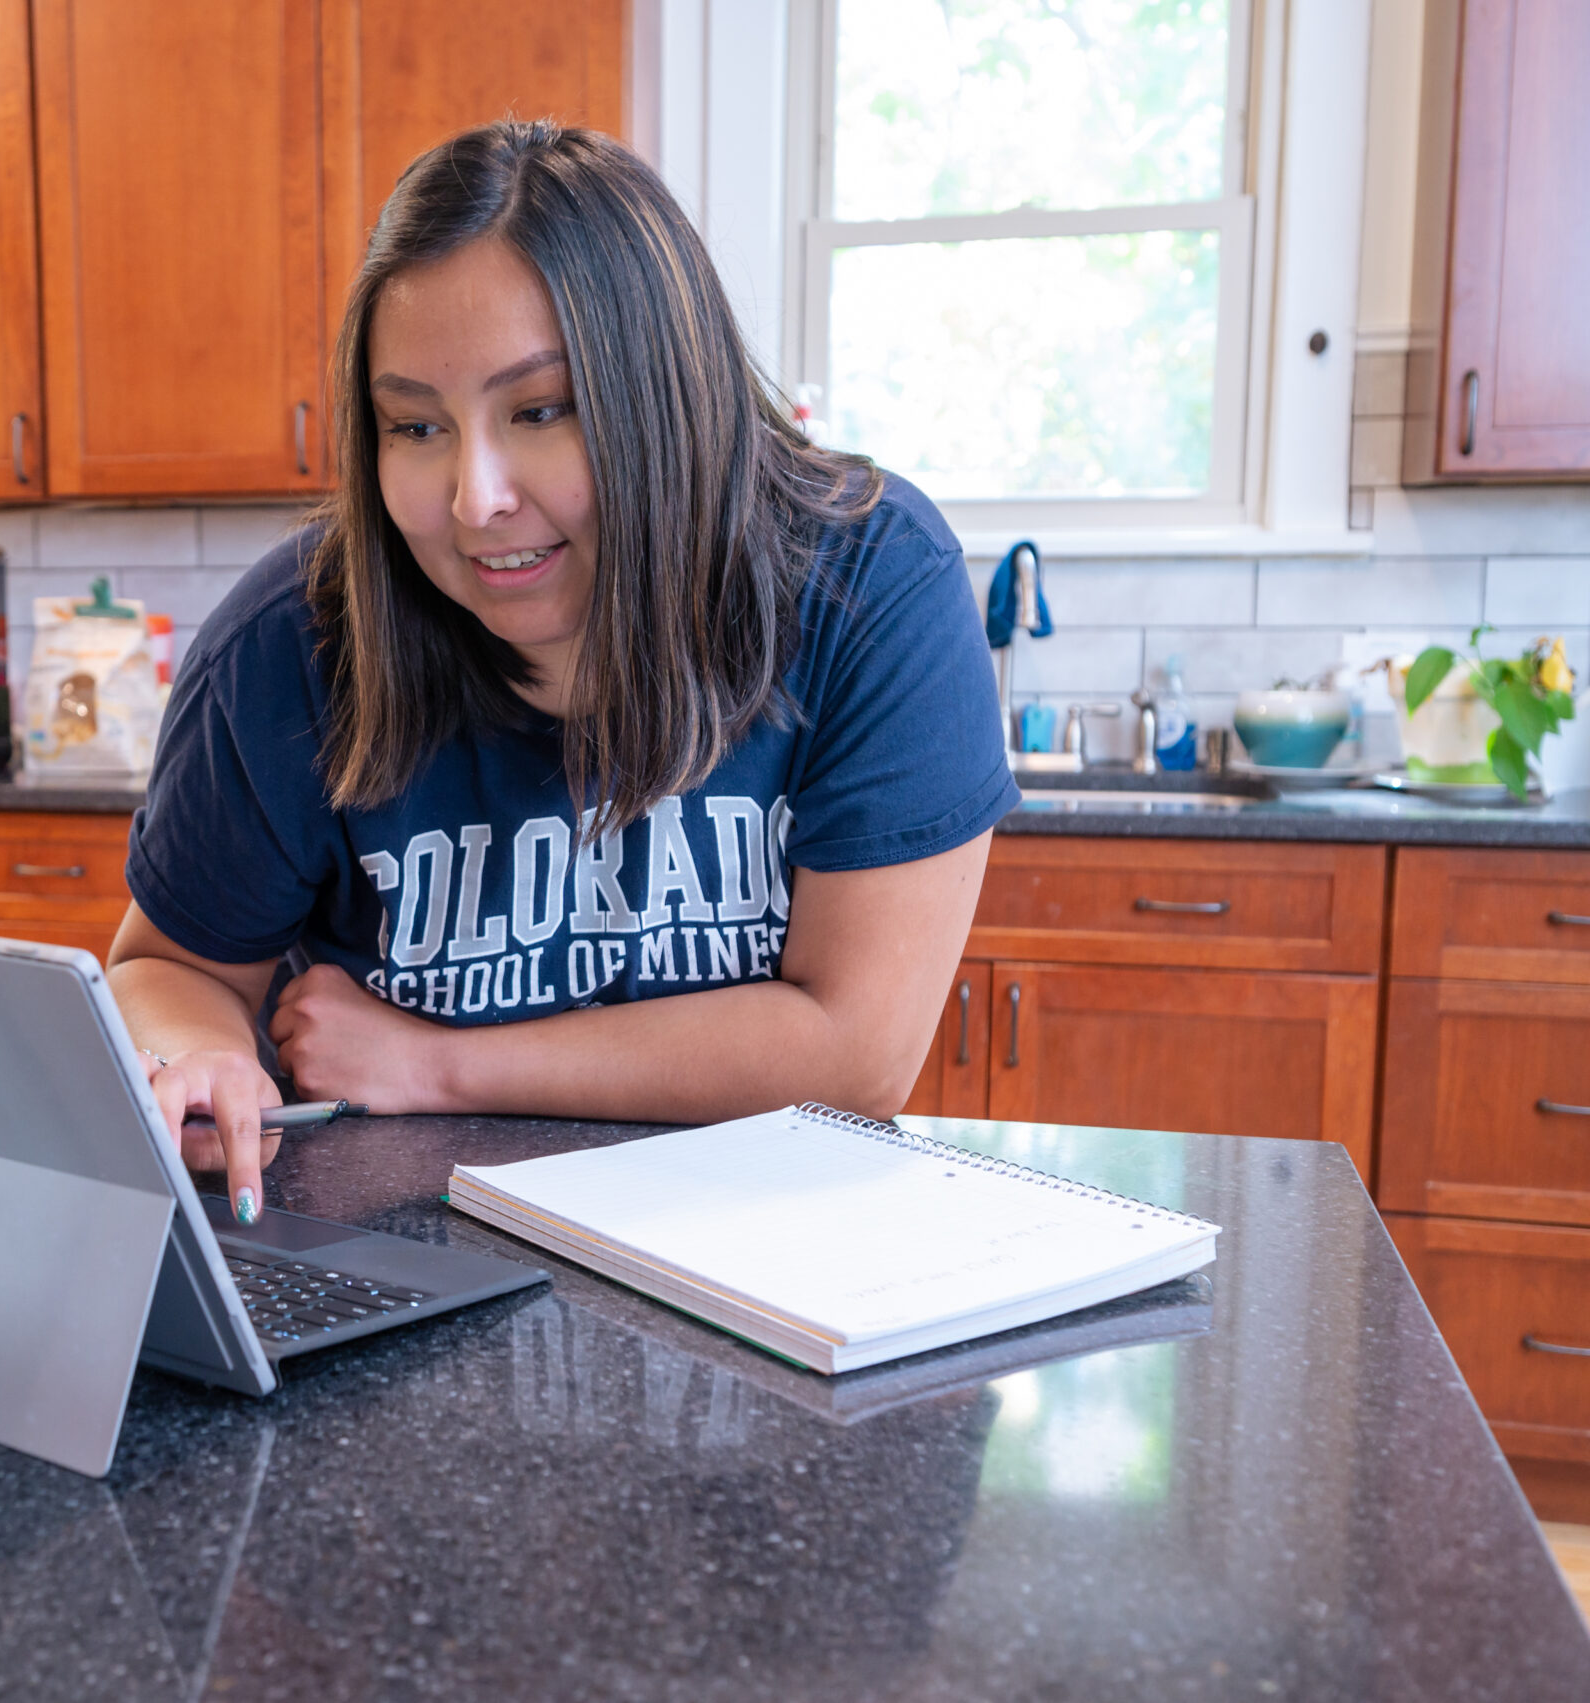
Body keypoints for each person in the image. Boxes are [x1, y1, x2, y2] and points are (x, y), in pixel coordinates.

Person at [106, 121, 1017, 1224]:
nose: (472, 497)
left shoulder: (868, 583)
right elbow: (167, 969)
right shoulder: (290, 640)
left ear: (666, 404)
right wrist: (198, 1054)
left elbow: (853, 1050)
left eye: (539, 410)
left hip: (766, 1250)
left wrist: (434, 1064)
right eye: (415, 425)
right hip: (405, 1265)